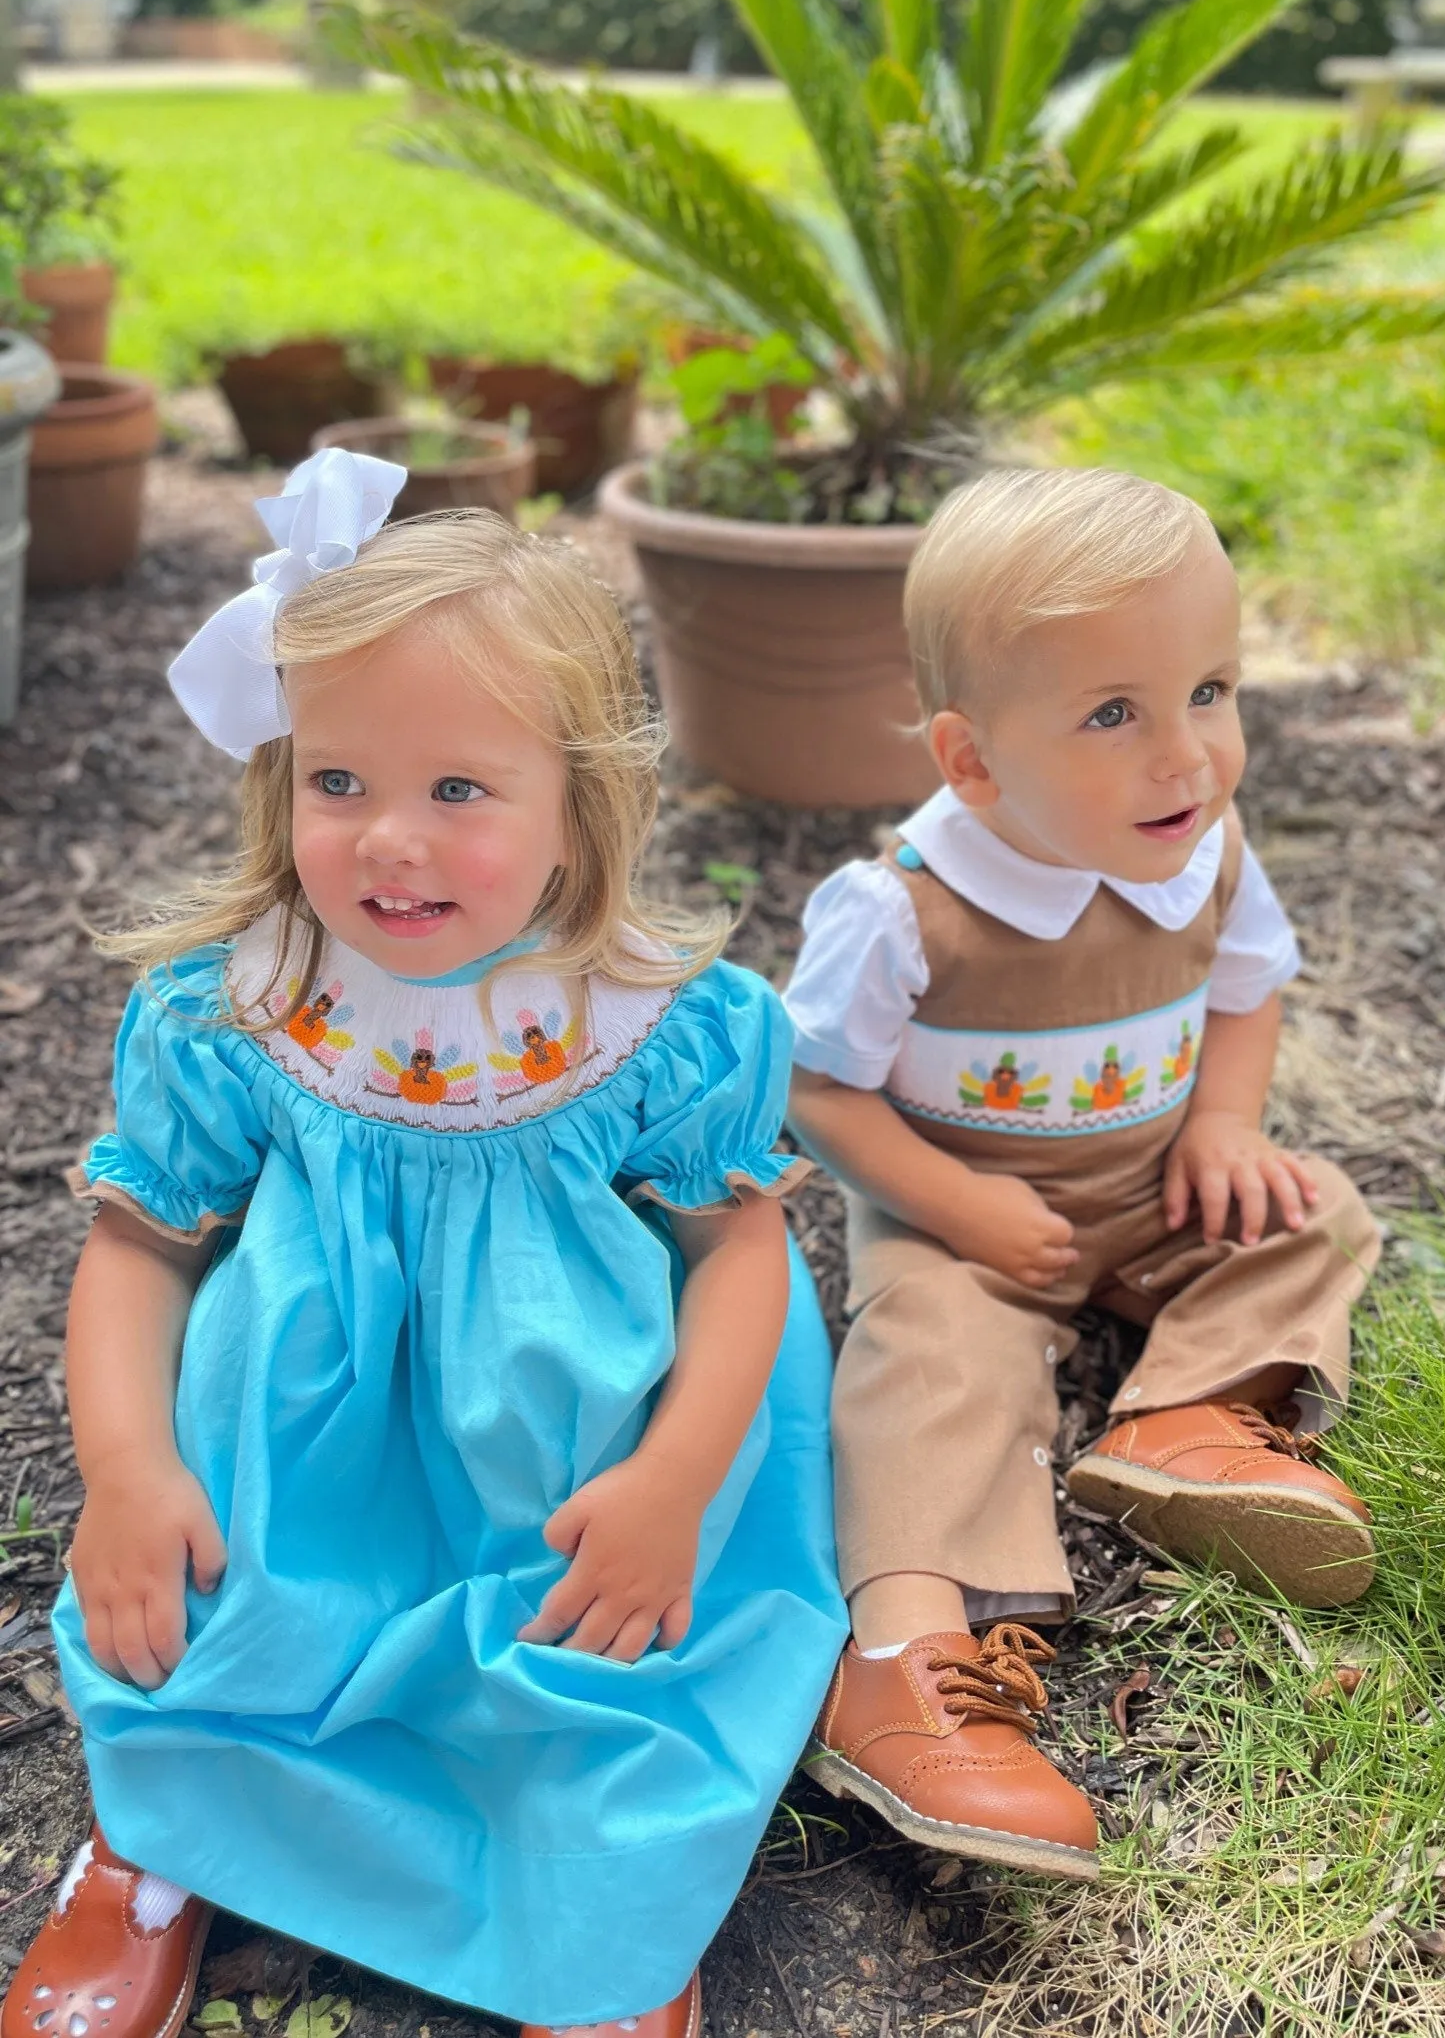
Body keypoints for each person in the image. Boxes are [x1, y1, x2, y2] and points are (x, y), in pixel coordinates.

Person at [4, 451, 845, 2038]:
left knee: (602, 1658)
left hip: (570, 1456)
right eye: (339, 783)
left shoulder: (651, 1024)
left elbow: (740, 1256)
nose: (389, 838)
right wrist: (127, 1472)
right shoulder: (237, 1009)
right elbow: (142, 1251)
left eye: (459, 791)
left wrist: (674, 1485)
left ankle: (603, 1914)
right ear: (282, 774)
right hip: (311, 1459)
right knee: (201, 1601)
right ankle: (149, 1846)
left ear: (576, 801)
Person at [784, 467, 1380, 1877]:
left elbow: (1247, 991)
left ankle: (1185, 1421)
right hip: (965, 1215)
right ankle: (904, 1656)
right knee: (926, 1357)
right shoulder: (903, 911)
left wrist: (1227, 1127)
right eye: (1114, 714)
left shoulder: (1206, 851)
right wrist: (952, 1205)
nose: (1187, 757)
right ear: (973, 760)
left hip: (1156, 1186)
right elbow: (815, 1091)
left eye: (1211, 691)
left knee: (1313, 1211)